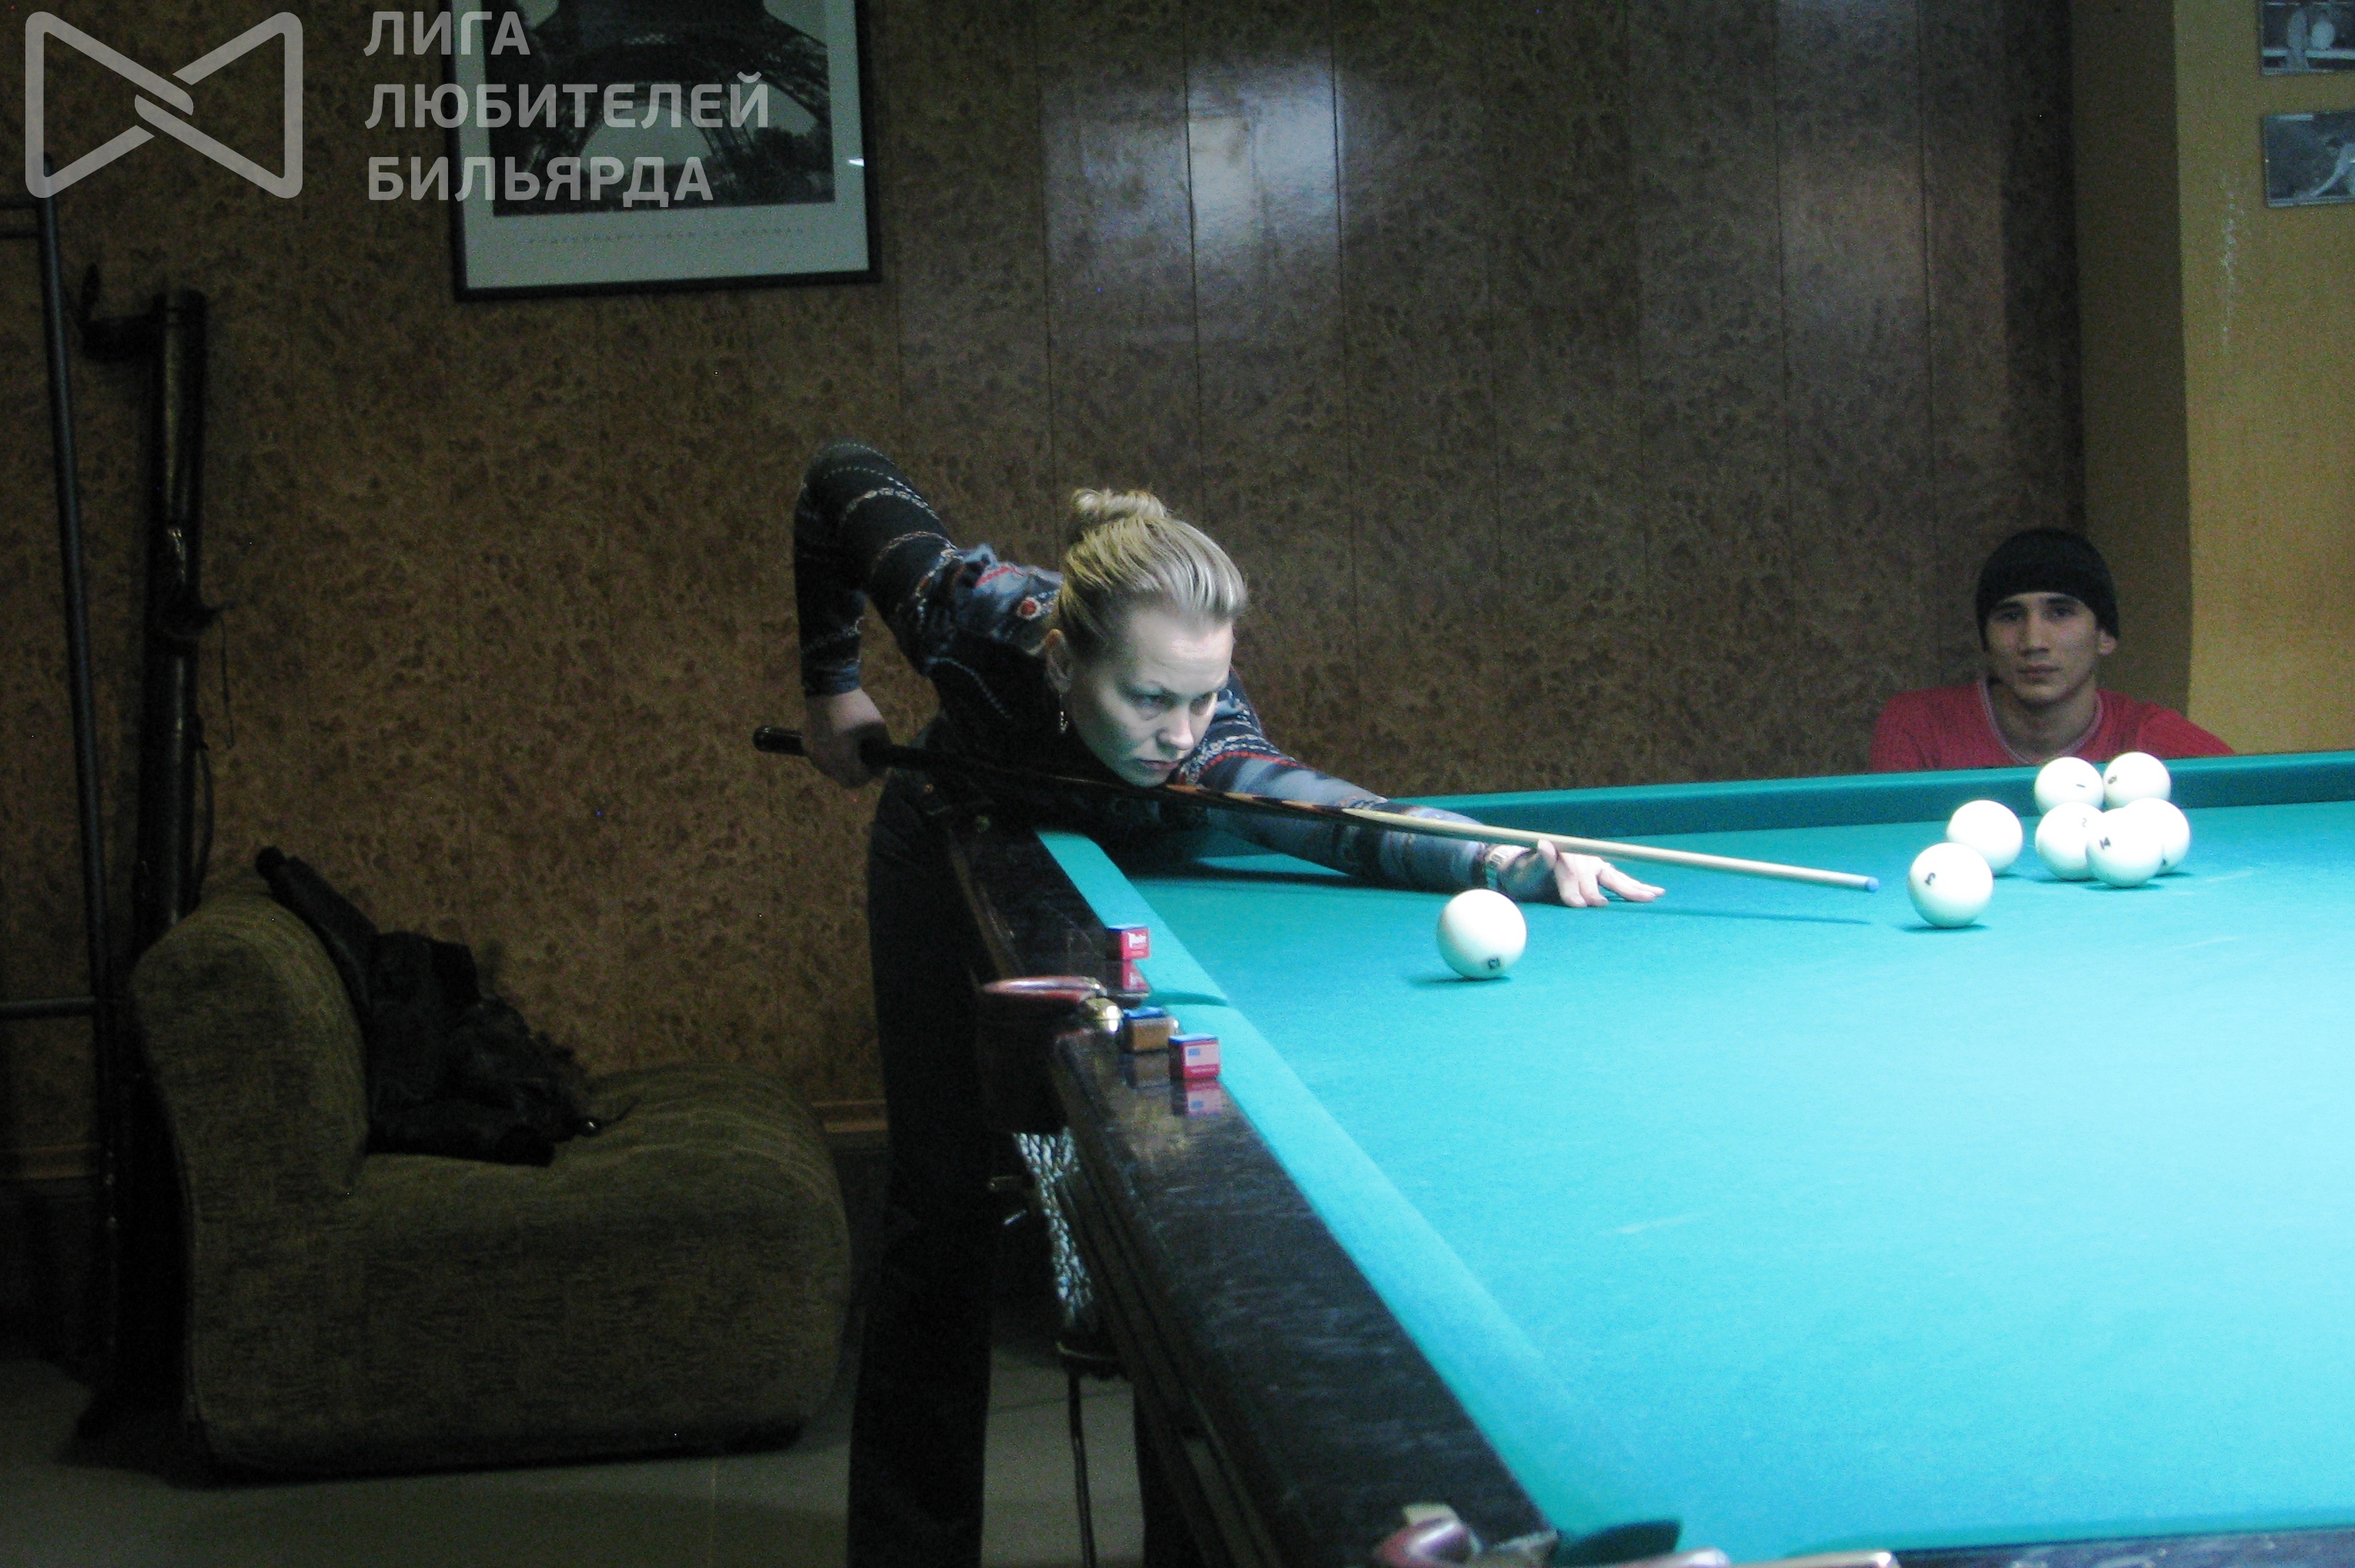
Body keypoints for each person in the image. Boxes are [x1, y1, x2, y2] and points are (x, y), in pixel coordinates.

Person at [791, 440, 1660, 1567]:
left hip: (1124, 863)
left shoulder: (1205, 748)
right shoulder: (971, 611)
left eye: (1205, 696)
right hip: (954, 830)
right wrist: (831, 683)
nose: (1181, 733)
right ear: (1062, 656)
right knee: (940, 1200)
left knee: (1168, 1225)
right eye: (1149, 697)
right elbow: (840, 478)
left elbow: (1336, 818)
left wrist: (1497, 859)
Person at [1870, 527, 2230, 772]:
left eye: (2060, 613)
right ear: (1986, 643)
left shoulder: (2148, 736)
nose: (2033, 642)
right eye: (2010, 616)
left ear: (2105, 635)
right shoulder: (1918, 725)